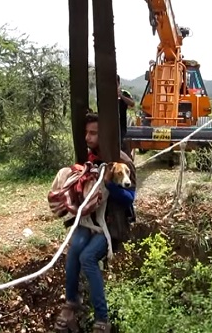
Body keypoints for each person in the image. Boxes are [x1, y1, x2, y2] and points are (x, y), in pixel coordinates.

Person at [55, 112, 137, 333]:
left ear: (106, 135)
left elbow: (130, 198)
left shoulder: (123, 162)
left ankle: (102, 318)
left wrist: (108, 183)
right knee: (74, 249)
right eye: (86, 133)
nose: (87, 138)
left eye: (93, 133)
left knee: (87, 257)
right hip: (90, 220)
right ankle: (72, 302)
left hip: (111, 224)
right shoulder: (89, 159)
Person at [117, 75, 135, 155]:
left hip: (121, 126)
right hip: (108, 125)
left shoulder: (125, 93)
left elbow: (132, 103)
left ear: (118, 83)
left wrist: (121, 96)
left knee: (121, 145)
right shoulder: (106, 93)